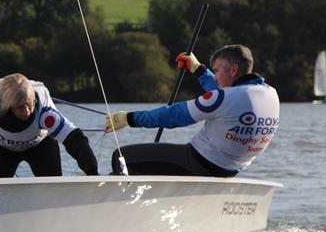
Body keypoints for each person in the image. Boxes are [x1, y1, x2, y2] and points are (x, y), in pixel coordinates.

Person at [104, 44, 280, 177]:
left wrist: (130, 118)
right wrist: (199, 70)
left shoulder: (226, 98)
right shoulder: (270, 93)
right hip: (231, 170)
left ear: (233, 69)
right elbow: (226, 95)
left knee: (120, 157)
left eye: (216, 70)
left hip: (199, 162)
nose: (216, 76)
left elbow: (174, 116)